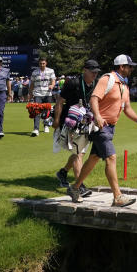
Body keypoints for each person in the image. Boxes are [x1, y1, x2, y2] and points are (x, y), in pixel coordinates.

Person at [67, 55, 137, 207]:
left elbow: (127, 108)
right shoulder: (107, 79)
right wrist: (97, 116)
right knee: (111, 157)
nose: (131, 69)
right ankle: (117, 196)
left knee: (93, 159)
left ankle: (74, 188)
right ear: (121, 67)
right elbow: (93, 98)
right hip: (100, 127)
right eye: (129, 66)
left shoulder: (124, 85)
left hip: (110, 127)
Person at [53, 59, 101, 197]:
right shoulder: (72, 83)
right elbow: (60, 101)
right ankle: (79, 186)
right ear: (84, 70)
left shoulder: (95, 84)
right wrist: (56, 120)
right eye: (92, 72)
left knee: (80, 152)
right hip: (70, 122)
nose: (95, 74)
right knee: (78, 153)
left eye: (96, 72)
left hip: (85, 122)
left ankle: (63, 172)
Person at [29, 57, 56, 136]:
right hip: (37, 93)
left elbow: (53, 80)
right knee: (36, 111)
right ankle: (36, 129)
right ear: (39, 64)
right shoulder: (35, 72)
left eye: (43, 63)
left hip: (48, 94)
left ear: (46, 63)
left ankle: (46, 125)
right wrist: (30, 94)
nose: (42, 65)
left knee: (46, 111)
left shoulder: (51, 71)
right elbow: (32, 84)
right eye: (40, 63)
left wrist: (52, 85)